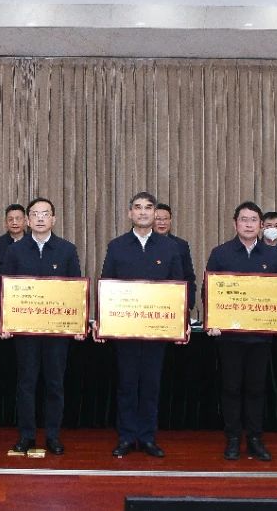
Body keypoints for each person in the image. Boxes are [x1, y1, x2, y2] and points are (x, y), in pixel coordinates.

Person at [99, 191, 193, 459]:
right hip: (125, 330)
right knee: (127, 385)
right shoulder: (117, 246)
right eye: (138, 207)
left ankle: (148, 437)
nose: (143, 212)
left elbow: (178, 288)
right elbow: (107, 284)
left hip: (157, 330)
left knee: (151, 385)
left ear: (155, 213)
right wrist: (103, 322)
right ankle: (127, 437)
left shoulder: (170, 248)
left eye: (148, 207)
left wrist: (182, 322)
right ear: (130, 213)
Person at [204, 201, 277, 462]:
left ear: (261, 225)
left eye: (254, 220)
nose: (248, 224)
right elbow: (209, 291)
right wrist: (212, 320)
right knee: (231, 388)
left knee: (256, 389)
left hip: (260, 338)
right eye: (243, 219)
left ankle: (255, 438)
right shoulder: (220, 253)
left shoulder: (273, 256)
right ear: (235, 224)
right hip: (229, 337)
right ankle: (233, 438)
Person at [0, 197, 83, 456]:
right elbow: (5, 288)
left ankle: (53, 436)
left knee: (55, 384)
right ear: (27, 220)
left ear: (53, 219)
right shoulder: (15, 251)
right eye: (35, 214)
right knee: (26, 384)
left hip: (57, 332)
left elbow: (76, 290)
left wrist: (78, 324)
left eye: (45, 214)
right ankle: (26, 436)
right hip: (25, 332)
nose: (40, 218)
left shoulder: (67, 250)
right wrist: (5, 320)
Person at [0, 203, 27, 311]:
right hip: (2, 302)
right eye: (10, 219)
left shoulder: (34, 243)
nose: (14, 222)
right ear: (5, 223)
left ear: (25, 221)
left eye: (18, 219)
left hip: (27, 301)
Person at [154, 203, 196, 310]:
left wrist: (189, 303)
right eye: (158, 219)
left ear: (170, 221)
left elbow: (188, 276)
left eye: (166, 219)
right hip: (151, 302)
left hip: (175, 302)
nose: (162, 222)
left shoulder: (181, 245)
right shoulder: (144, 244)